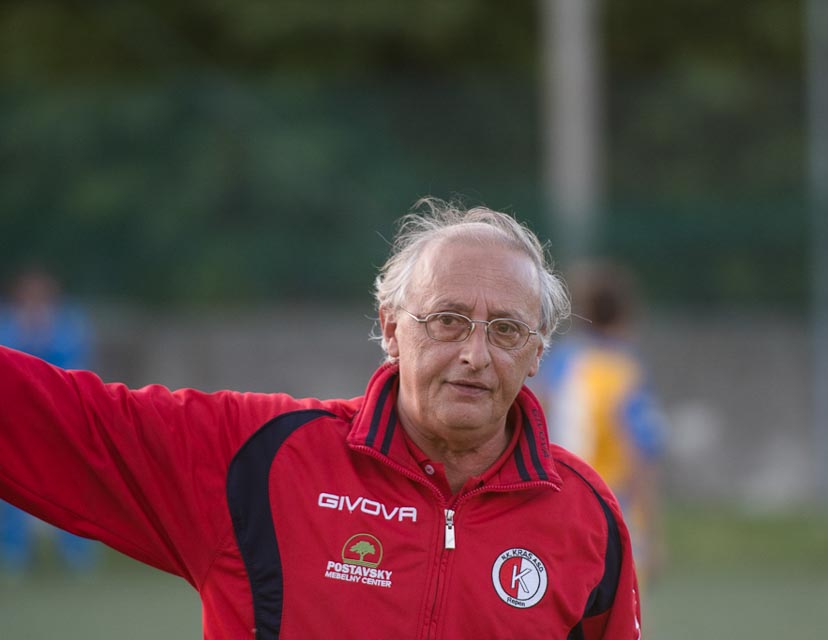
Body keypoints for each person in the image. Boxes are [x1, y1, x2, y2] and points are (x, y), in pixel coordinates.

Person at [0, 199, 641, 639]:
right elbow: (52, 416)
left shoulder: (588, 517)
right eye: (447, 320)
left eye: (505, 330)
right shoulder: (260, 461)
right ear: (391, 328)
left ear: (537, 353)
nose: (475, 354)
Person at [534, 261, 667, 596]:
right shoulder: (625, 373)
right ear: (625, 316)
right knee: (620, 617)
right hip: (613, 514)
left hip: (559, 508)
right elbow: (639, 457)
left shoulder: (558, 365)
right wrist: (652, 536)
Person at [0, 267, 100, 577]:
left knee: (73, 482)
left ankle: (77, 554)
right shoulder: (7, 324)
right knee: (11, 488)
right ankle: (13, 553)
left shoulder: (68, 324)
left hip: (59, 418)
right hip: (14, 419)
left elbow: (75, 367)